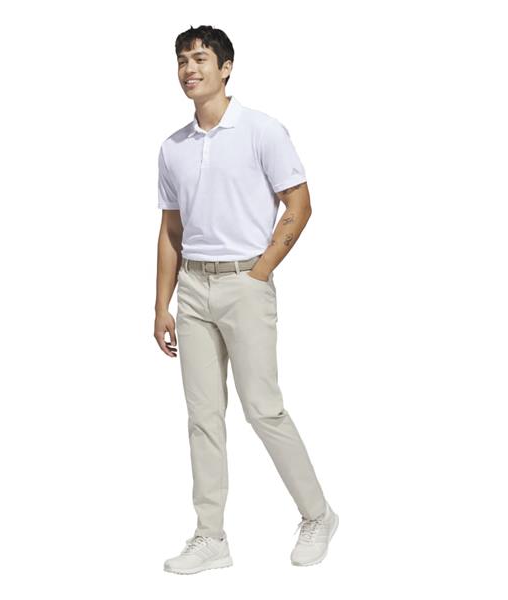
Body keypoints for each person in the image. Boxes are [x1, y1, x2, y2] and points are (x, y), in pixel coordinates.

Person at [154, 25, 338, 575]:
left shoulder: (261, 130)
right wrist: (161, 304)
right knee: (203, 416)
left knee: (263, 408)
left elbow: (299, 204)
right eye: (183, 60)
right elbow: (171, 230)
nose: (190, 69)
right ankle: (210, 536)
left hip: (244, 284)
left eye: (200, 59)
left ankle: (318, 514)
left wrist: (260, 273)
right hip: (193, 290)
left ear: (226, 67)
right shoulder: (173, 147)